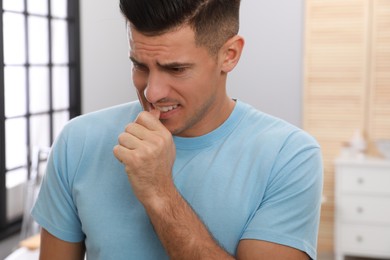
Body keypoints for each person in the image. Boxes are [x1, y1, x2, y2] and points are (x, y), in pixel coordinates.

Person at [32, 0, 323, 259]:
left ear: (230, 55)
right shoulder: (78, 140)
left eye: (176, 69)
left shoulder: (290, 156)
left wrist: (159, 193)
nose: (152, 92)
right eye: (140, 66)